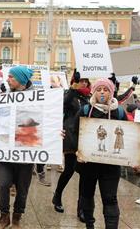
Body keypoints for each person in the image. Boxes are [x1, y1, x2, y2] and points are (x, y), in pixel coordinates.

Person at [76, 78, 127, 229]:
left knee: (110, 199)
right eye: (99, 89)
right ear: (94, 92)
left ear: (111, 92)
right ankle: (89, 225)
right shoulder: (85, 110)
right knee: (86, 195)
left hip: (110, 166)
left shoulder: (119, 112)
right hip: (88, 164)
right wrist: (76, 149)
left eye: (106, 89)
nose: (102, 92)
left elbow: (130, 135)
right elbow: (73, 131)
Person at [0, 65, 35, 229]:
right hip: (4, 150)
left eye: (11, 77)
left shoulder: (39, 98)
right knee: (2, 184)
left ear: (21, 80)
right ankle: (4, 217)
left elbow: (47, 121)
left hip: (26, 151)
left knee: (22, 188)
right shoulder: (4, 97)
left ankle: (17, 217)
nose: (8, 79)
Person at [52, 71, 91, 222]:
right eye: (81, 80)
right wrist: (73, 86)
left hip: (86, 137)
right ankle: (57, 195)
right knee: (69, 170)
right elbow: (64, 104)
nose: (84, 83)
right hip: (71, 137)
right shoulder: (70, 94)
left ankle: (81, 208)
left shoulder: (89, 97)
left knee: (84, 173)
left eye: (86, 81)